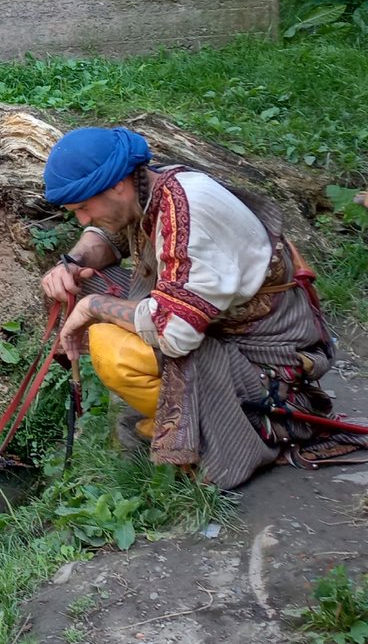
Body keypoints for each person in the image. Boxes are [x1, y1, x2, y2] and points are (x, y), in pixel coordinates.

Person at [39, 126, 365, 488]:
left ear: (118, 185)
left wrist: (92, 308)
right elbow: (108, 236)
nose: (82, 219)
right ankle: (168, 412)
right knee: (80, 281)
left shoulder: (188, 214)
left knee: (111, 347)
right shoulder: (149, 185)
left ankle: (212, 430)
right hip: (218, 323)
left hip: (267, 355)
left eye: (84, 207)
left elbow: (173, 333)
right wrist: (73, 260)